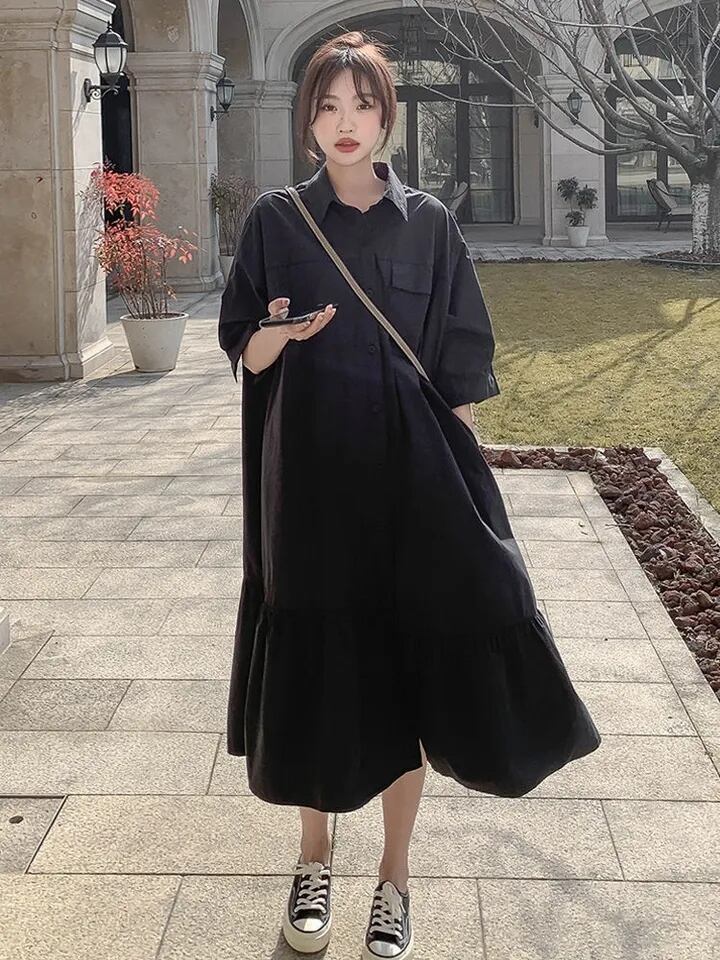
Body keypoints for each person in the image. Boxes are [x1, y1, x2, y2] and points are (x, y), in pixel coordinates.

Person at [218, 30, 601, 960]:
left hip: (414, 477)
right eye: (327, 106)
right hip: (310, 482)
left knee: (406, 661)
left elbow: (460, 364)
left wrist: (470, 485)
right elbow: (243, 350)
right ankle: (314, 859)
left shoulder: (429, 222)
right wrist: (281, 335)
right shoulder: (276, 220)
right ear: (307, 119)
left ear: (388, 116)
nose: (345, 123)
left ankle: (394, 877)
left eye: (363, 105)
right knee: (318, 662)